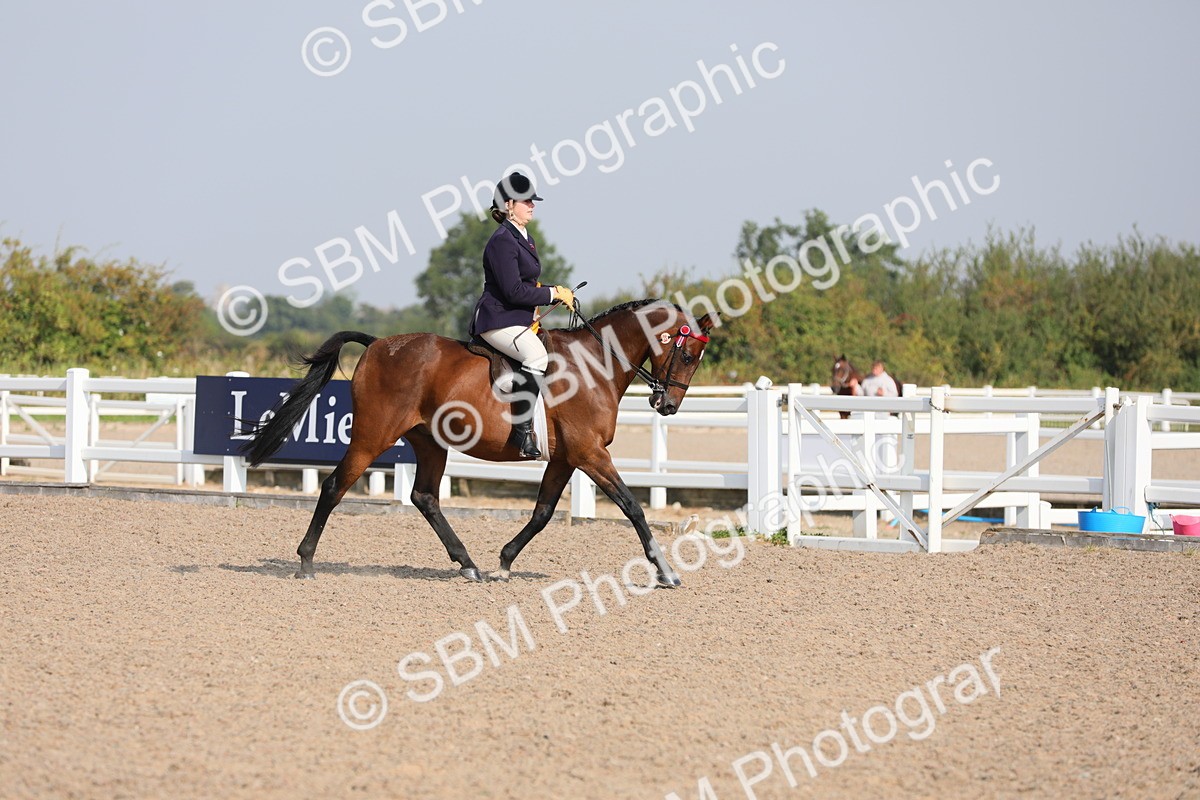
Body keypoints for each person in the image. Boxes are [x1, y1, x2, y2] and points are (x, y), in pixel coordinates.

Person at [468, 171, 575, 459]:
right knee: (537, 357)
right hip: (497, 319)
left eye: (532, 201)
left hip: (517, 319)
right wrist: (553, 293)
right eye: (526, 201)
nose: (532, 205)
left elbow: (528, 284)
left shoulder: (524, 238)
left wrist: (550, 292)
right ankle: (523, 432)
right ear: (508, 205)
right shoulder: (502, 240)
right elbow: (514, 291)